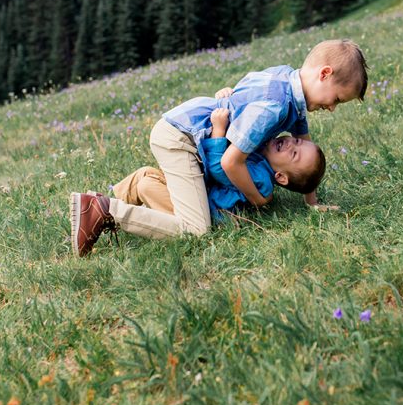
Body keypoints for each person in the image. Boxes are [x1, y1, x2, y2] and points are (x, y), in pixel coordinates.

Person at [70, 38, 367, 257]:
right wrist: (257, 198)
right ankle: (105, 210)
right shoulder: (275, 107)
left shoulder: (286, 79)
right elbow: (229, 163)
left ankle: (140, 185)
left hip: (186, 128)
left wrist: (311, 201)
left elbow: (307, 147)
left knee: (194, 208)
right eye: (337, 99)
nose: (332, 108)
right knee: (197, 229)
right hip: (181, 139)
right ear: (324, 74)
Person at [108, 107, 327, 223]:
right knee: (147, 174)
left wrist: (218, 130)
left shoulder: (261, 179)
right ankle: (104, 205)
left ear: (281, 177)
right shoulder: (262, 160)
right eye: (296, 141)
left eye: (295, 154)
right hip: (200, 194)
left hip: (207, 212)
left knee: (147, 185)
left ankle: (107, 209)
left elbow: (221, 169)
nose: (290, 143)